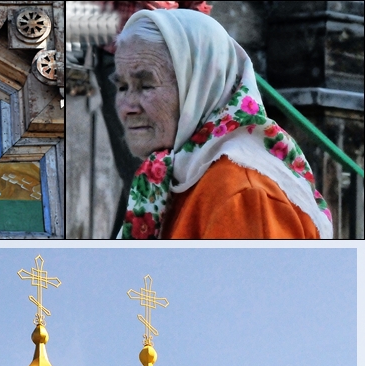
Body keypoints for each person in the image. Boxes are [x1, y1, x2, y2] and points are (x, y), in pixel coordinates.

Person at [113, 9, 331, 239]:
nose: (128, 107)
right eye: (122, 87)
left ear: (200, 87)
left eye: (146, 86)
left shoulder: (243, 193)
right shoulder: (176, 175)